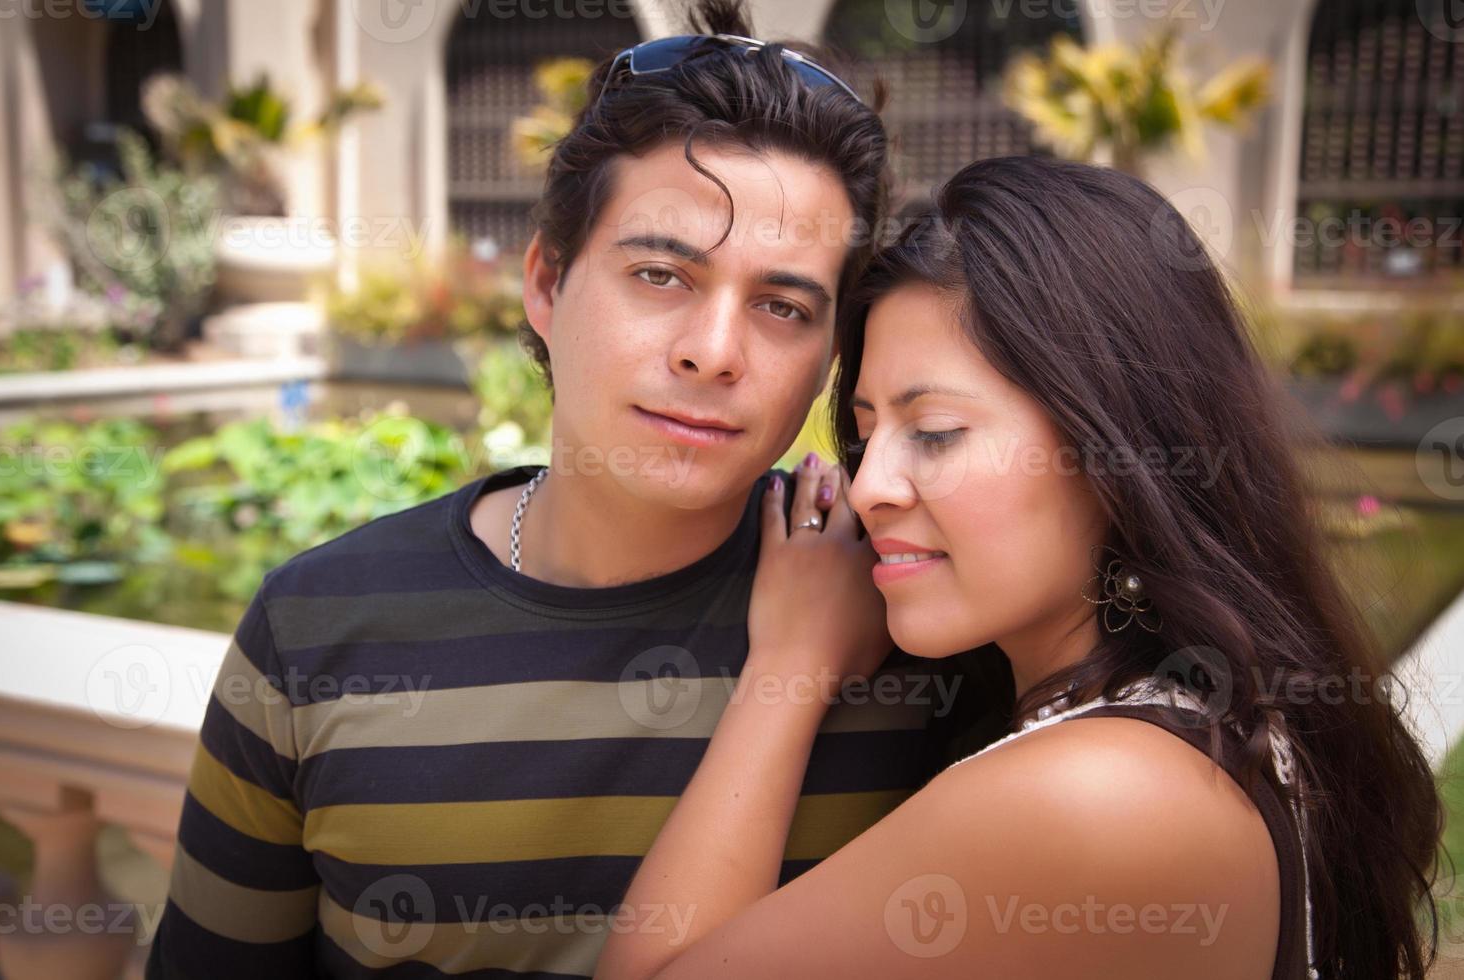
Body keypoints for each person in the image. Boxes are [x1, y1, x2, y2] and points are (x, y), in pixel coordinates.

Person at [144, 3, 982, 976]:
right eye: (662, 275)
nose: (713, 352)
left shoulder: (911, 609)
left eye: (783, 305)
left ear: (833, 350)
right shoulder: (320, 623)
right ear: (545, 282)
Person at [592, 156, 1445, 980]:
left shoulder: (1097, 796)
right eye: (863, 431)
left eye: (935, 432)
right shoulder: (1199, 729)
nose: (871, 485)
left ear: (1116, 451)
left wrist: (791, 665)